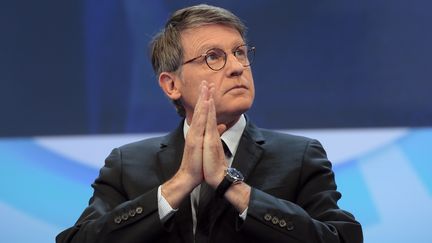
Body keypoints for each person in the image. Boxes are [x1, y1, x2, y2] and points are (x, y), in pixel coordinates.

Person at [57, 4, 363, 243]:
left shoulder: (299, 157)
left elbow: (342, 238)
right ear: (171, 85)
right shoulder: (127, 164)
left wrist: (232, 186)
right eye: (213, 57)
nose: (236, 68)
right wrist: (177, 185)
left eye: (240, 53)